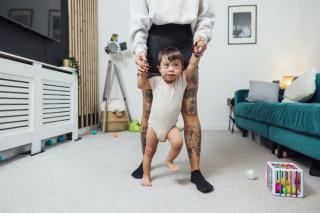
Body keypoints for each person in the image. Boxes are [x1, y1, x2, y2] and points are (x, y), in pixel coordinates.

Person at [129, 0, 215, 193]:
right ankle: (146, 164)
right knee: (148, 110)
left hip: (185, 42)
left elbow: (205, 16)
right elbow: (138, 20)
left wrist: (202, 38)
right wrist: (139, 51)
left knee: (190, 111)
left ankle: (196, 171)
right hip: (155, 42)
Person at [138, 46, 201, 187]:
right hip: (154, 126)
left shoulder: (182, 81)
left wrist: (196, 54)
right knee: (148, 151)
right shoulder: (155, 81)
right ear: (159, 68)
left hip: (170, 126)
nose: (171, 69)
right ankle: (146, 175)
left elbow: (192, 65)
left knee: (178, 143)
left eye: (175, 66)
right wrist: (141, 73)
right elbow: (140, 85)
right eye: (166, 66)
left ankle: (168, 160)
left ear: (181, 68)